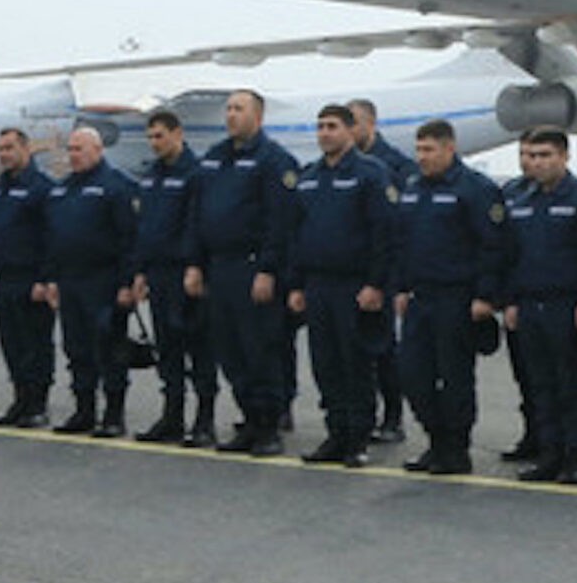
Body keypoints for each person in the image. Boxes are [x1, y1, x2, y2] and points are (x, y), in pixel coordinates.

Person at [388, 118, 508, 476]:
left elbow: (494, 246)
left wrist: (486, 296)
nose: (422, 157)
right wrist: (401, 287)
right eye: (419, 149)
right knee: (413, 375)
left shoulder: (474, 189)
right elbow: (401, 243)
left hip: (458, 298)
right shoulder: (412, 188)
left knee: (454, 377)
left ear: (449, 149)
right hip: (420, 298)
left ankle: (455, 448)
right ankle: (435, 439)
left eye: (429, 149)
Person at [184, 89, 299, 455]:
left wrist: (268, 269)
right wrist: (195, 264)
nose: (231, 115)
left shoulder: (274, 160)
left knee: (260, 349)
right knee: (230, 351)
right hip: (220, 268)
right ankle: (248, 420)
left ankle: (269, 427)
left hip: (253, 269)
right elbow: (197, 215)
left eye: (239, 109)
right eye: (229, 109)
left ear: (258, 116)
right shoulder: (214, 159)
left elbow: (281, 222)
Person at [283, 104, 397, 466]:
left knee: (356, 363)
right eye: (319, 127)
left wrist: (376, 284)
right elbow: (296, 234)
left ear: (350, 131)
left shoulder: (370, 173)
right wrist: (296, 285)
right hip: (318, 285)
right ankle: (335, 434)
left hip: (355, 287)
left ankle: (358, 439)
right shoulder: (310, 176)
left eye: (332, 126)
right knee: (326, 364)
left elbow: (384, 234)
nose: (324, 133)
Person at [501, 127, 577, 483]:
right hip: (529, 304)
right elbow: (509, 257)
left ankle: (574, 456)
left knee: (570, 383)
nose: (536, 162)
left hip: (567, 305)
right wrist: (510, 301)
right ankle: (548, 453)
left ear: (564, 156)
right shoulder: (519, 200)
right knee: (539, 383)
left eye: (545, 155)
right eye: (531, 155)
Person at [39, 127, 139, 437]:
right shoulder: (61, 189)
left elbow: (130, 239)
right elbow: (52, 239)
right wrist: (51, 278)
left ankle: (113, 414)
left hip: (104, 280)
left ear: (98, 149)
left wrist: (127, 283)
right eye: (70, 149)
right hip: (70, 280)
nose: (73, 155)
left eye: (79, 149)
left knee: (109, 348)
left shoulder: (117, 187)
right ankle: (84, 410)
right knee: (76, 349)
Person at [130, 111, 208, 446]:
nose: (154, 143)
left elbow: (198, 225)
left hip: (185, 274)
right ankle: (172, 417)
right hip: (158, 274)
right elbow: (144, 228)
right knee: (168, 349)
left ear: (178, 134)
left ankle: (204, 421)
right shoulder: (150, 176)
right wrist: (141, 271)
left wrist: (195, 266)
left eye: (159, 136)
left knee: (199, 349)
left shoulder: (196, 173)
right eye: (150, 137)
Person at [0, 127, 54, 428]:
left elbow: (50, 238)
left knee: (36, 345)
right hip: (5, 279)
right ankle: (20, 400)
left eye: (10, 148)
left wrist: (44, 278)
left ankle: (38, 404)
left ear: (26, 148)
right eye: (1, 149)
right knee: (12, 344)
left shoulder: (41, 188)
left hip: (31, 279)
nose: (5, 154)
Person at [348, 98, 415, 444]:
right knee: (351, 349)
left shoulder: (395, 166)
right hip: (349, 273)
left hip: (383, 272)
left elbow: (399, 226)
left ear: (371, 124)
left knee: (383, 348)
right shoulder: (341, 167)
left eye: (354, 122)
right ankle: (359, 416)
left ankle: (392, 417)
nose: (349, 130)